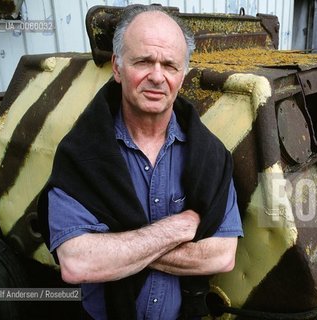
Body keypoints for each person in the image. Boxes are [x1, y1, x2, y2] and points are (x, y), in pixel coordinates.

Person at [38, 5, 243, 320]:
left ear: (182, 75)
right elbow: (78, 263)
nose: (157, 76)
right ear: (118, 68)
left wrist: (119, 250)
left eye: (170, 65)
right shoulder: (81, 154)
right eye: (144, 61)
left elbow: (221, 256)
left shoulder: (210, 156)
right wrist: (179, 227)